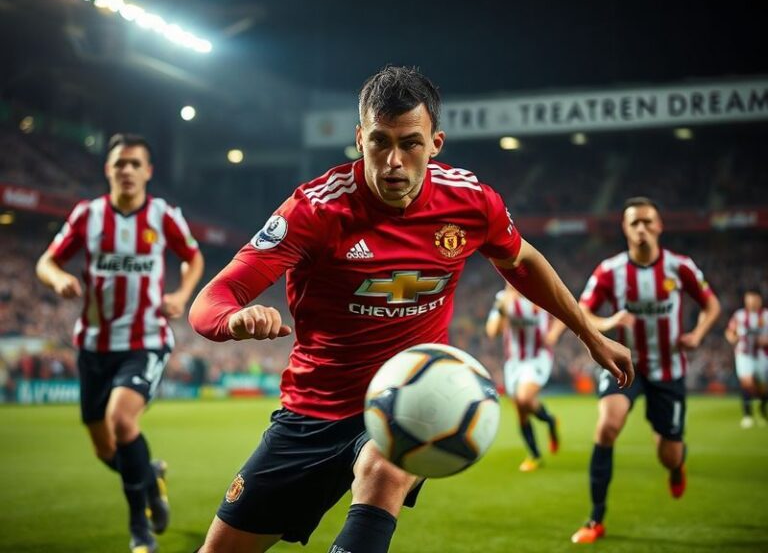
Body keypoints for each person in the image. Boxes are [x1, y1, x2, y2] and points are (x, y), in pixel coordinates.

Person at [188, 65, 633, 553]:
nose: (393, 161)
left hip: (411, 399)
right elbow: (210, 300)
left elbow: (522, 261)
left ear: (435, 143)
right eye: (379, 142)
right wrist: (233, 319)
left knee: (384, 466)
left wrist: (589, 334)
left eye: (410, 143)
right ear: (359, 138)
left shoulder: (470, 202)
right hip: (312, 412)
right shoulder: (315, 211)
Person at [36, 133, 204, 553]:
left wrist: (181, 296)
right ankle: (151, 476)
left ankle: (139, 529)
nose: (126, 170)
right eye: (119, 164)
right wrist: (59, 279)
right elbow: (47, 260)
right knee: (103, 448)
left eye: (134, 164)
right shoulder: (87, 216)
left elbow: (193, 256)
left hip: (145, 339)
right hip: (94, 344)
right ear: (107, 170)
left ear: (148, 171)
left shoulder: (163, 216)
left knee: (122, 422)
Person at [565, 197, 720, 544]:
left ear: (659, 226)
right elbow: (582, 311)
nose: (641, 228)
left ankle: (677, 464)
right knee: (607, 426)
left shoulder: (680, 268)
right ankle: (595, 519)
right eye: (634, 223)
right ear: (625, 229)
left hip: (669, 369)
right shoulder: (610, 271)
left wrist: (697, 334)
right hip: (625, 364)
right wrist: (610, 321)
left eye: (648, 222)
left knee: (669, 455)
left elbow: (711, 304)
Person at [485, 283, 561, 472]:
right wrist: (503, 309)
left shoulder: (541, 292)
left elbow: (564, 313)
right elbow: (492, 332)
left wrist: (553, 333)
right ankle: (540, 443)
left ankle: (543, 435)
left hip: (538, 357)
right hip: (514, 363)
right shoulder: (502, 299)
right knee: (521, 408)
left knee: (524, 398)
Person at [725, 289, 768, 428]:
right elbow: (730, 332)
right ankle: (748, 415)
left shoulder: (766, 316)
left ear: (760, 299)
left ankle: (762, 408)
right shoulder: (740, 315)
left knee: (762, 387)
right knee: (747, 382)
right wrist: (733, 338)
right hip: (743, 354)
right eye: (748, 298)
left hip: (762, 354)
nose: (751, 301)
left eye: (754, 298)